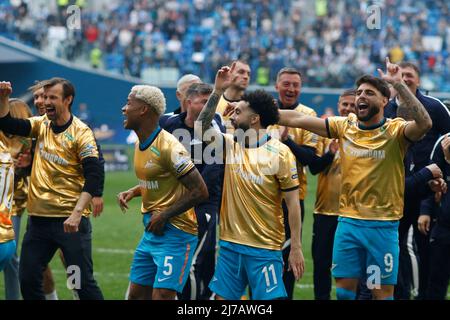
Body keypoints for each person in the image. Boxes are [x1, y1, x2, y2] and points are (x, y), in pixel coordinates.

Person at [274, 58, 432, 299]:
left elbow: (425, 123)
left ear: (384, 100)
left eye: (369, 93)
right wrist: (258, 110)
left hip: (383, 227)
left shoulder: (396, 131)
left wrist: (399, 84)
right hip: (348, 225)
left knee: (381, 294)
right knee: (345, 294)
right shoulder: (344, 126)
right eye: (359, 92)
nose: (361, 96)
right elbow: (296, 119)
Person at [196, 65, 305, 300]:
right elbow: (200, 128)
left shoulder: (280, 153)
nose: (233, 114)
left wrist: (295, 247)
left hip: (264, 249)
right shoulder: (230, 145)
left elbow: (293, 203)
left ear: (254, 119)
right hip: (230, 247)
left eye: (240, 111)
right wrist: (217, 92)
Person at [0, 78, 104, 300]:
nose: (45, 102)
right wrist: (4, 98)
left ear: (68, 100)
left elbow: (94, 175)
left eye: (52, 98)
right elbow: (7, 123)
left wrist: (77, 214)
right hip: (38, 223)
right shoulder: (40, 124)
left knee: (80, 283)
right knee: (27, 279)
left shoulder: (81, 133)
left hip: (70, 224)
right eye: (44, 97)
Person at [117, 85, 209, 300]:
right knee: (136, 296)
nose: (124, 108)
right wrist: (134, 191)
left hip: (176, 234)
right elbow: (161, 180)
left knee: (162, 296)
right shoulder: (142, 143)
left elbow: (200, 191)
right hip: (151, 231)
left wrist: (164, 214)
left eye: (129, 103)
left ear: (143, 110)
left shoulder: (169, 148)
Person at [384, 62, 450, 299]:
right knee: (395, 247)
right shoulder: (386, 109)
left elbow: (448, 138)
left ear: (418, 80)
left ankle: (420, 293)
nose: (406, 79)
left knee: (423, 249)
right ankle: (401, 292)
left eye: (410, 76)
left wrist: (441, 174)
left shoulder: (434, 107)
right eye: (402, 76)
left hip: (428, 192)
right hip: (393, 191)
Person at [161, 83, 225, 300]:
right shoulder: (169, 125)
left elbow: (214, 172)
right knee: (173, 263)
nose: (209, 107)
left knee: (195, 263)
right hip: (173, 204)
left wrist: (190, 195)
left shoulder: (215, 129)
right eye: (203, 102)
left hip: (203, 204)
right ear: (188, 103)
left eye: (211, 102)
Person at [272, 67, 320, 299]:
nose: (291, 88)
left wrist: (287, 140)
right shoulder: (263, 111)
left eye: (295, 85)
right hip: (262, 199)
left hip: (292, 199)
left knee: (290, 258)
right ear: (277, 86)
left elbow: (311, 161)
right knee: (261, 256)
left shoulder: (308, 114)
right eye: (286, 84)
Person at [309, 89, 356, 300]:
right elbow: (314, 168)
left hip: (352, 213)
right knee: (321, 264)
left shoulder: (363, 135)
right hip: (325, 212)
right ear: (338, 105)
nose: (348, 109)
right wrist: (330, 153)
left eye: (352, 105)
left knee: (350, 268)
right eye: (345, 104)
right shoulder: (324, 133)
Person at [1, 99, 32, 300]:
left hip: (15, 203)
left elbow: (27, 171)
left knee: (10, 256)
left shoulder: (27, 140)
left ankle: (13, 297)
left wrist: (19, 167)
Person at [418, 134, 450, 300]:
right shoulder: (444, 142)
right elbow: (433, 179)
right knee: (436, 279)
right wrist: (425, 210)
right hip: (444, 223)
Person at [215, 60, 251, 133]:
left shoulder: (252, 106)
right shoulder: (215, 103)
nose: (246, 77)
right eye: (241, 72)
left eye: (248, 74)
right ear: (229, 73)